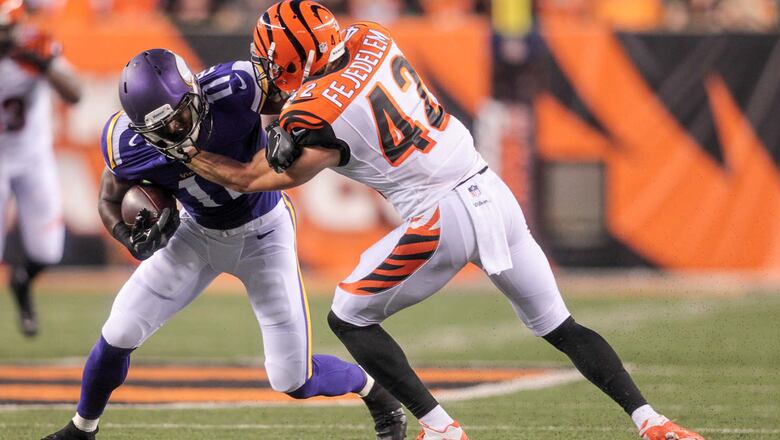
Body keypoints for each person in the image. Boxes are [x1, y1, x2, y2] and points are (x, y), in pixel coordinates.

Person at [182, 2, 708, 440]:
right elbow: (330, 94)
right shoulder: (371, 37)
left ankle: (439, 429)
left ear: (297, 60)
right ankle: (651, 421)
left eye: (272, 60)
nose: (267, 70)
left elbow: (258, 177)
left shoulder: (316, 113)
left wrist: (184, 150)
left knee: (348, 317)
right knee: (560, 326)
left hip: (440, 214)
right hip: (490, 190)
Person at [41, 48, 406, 440]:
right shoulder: (124, 142)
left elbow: (301, 93)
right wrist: (128, 236)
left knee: (292, 378)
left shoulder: (235, 87)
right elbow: (109, 200)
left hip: (264, 234)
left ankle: (375, 389)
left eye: (181, 113)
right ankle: (82, 429)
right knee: (119, 332)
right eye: (163, 127)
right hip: (195, 235)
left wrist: (293, 125)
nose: (178, 129)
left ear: (195, 92)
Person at [0, 0, 81, 337]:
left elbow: (75, 93)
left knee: (48, 251)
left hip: (33, 157)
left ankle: (22, 282)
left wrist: (46, 65)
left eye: (7, 30)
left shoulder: (36, 46)